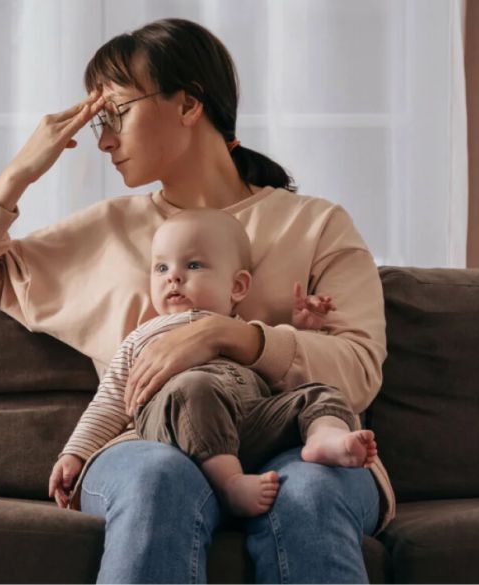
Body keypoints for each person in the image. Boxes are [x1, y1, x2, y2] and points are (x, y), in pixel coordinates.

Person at [0, 17, 394, 583]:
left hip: (296, 440)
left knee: (310, 494)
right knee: (158, 480)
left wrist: (229, 335)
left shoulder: (316, 226)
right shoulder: (102, 231)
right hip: (150, 444)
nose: (104, 138)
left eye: (116, 112)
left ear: (188, 104)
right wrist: (17, 176)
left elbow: (358, 372)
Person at [50, 208, 378, 518]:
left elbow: (283, 373)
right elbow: (108, 402)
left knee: (319, 393)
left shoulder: (243, 329)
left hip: (247, 422)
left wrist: (305, 330)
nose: (173, 277)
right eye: (161, 268)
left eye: (193, 266)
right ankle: (229, 484)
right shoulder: (142, 337)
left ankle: (323, 439)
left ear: (237, 286)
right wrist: (74, 453)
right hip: (176, 423)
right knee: (195, 386)